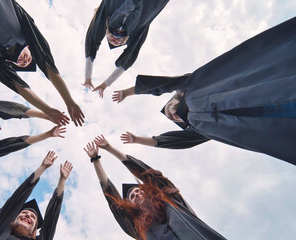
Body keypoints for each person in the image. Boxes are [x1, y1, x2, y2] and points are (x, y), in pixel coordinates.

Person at [113, 17, 296, 164]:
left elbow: (161, 85)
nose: (172, 114)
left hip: (260, 90)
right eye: (173, 118)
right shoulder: (200, 129)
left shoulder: (192, 86)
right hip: (268, 124)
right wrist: (137, 139)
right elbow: (171, 141)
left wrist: (127, 92)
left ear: (175, 99)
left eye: (169, 110)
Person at [83, 135, 226, 240]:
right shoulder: (138, 228)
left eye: (139, 191)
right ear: (131, 205)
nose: (137, 194)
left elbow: (147, 174)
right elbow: (112, 200)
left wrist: (110, 148)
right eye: (132, 196)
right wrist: (95, 160)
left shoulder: (171, 200)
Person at [83, 0, 169, 98]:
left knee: (112, 22)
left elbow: (92, 40)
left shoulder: (109, 18)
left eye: (111, 37)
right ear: (127, 38)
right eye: (118, 38)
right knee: (120, 24)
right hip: (151, 4)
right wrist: (105, 84)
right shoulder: (137, 30)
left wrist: (87, 77)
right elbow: (127, 61)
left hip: (120, 7)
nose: (114, 38)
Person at [0, 151, 73, 240]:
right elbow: (16, 199)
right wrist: (42, 167)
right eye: (24, 212)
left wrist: (62, 180)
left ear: (33, 230)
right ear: (13, 219)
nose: (27, 215)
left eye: (33, 217)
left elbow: (51, 219)